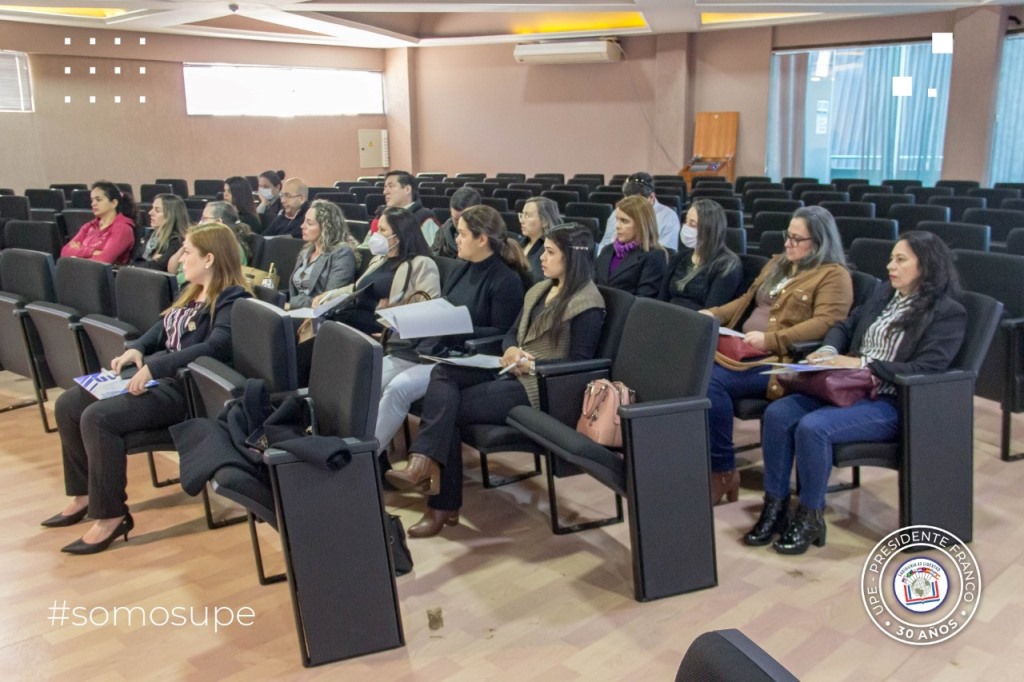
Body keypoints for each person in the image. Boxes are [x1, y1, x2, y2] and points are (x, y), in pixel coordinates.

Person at [745, 231, 966, 554]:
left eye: (900, 259)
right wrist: (829, 348)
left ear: (926, 266)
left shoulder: (947, 313)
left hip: (891, 401)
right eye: (891, 258)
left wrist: (863, 362)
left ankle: (810, 516)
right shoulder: (884, 294)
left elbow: (927, 369)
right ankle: (775, 507)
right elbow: (845, 325)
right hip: (848, 389)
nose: (890, 265)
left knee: (813, 427)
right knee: (778, 413)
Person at [43, 222, 252, 555]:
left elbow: (215, 347)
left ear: (209, 258)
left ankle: (111, 516)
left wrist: (156, 365)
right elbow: (161, 327)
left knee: (98, 418)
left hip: (186, 390)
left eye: (187, 252)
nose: (180, 258)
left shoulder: (232, 299)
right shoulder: (193, 291)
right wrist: (138, 347)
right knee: (69, 403)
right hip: (160, 377)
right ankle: (83, 495)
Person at [386, 224, 605, 538]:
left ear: (572, 259)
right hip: (511, 369)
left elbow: (581, 365)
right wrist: (512, 349)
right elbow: (511, 334)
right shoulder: (541, 289)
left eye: (550, 252)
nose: (541, 257)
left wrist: (533, 363)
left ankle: (440, 503)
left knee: (448, 408)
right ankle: (423, 463)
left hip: (539, 386)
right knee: (443, 373)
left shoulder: (588, 303)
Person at [702, 206, 853, 505]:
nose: (787, 243)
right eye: (788, 235)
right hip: (744, 349)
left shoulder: (833, 276)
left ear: (819, 242)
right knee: (689, 372)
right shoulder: (778, 265)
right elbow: (745, 302)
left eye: (797, 239)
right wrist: (713, 315)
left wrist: (772, 339)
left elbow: (827, 323)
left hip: (781, 361)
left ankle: (721, 471)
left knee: (710, 384)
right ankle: (702, 460)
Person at [373, 204, 528, 476]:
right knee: (373, 376)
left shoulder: (506, 280)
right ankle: (373, 452)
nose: (456, 238)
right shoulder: (461, 269)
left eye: (462, 234)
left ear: (482, 239)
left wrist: (455, 325)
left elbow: (503, 334)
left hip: (467, 361)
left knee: (398, 389)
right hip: (438, 349)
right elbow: (444, 307)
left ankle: (365, 459)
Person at [320, 206, 440, 334]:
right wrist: (328, 296)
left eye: (382, 230)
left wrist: (392, 310)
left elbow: (428, 310)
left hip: (382, 328)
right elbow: (355, 288)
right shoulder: (379, 259)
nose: (376, 234)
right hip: (354, 320)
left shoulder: (422, 264)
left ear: (398, 236)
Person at [660, 198, 742, 310]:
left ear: (709, 229)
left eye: (692, 223)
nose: (686, 227)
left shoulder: (727, 265)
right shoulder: (679, 258)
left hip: (696, 322)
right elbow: (661, 299)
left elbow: (711, 311)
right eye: (686, 221)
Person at [287, 199, 357, 309]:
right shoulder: (306, 251)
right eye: (304, 221)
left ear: (326, 227)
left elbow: (328, 300)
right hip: (295, 310)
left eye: (309, 223)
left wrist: (290, 304)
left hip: (318, 317)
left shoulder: (342, 254)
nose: (302, 226)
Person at [595, 195, 668, 299]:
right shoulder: (607, 250)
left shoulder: (654, 256)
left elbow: (643, 300)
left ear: (641, 224)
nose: (617, 226)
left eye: (624, 221)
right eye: (617, 219)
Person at [597, 172, 681, 251]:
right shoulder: (618, 212)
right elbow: (605, 243)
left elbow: (666, 254)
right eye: (627, 200)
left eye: (636, 201)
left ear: (651, 198)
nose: (630, 206)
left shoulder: (668, 217)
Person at [60, 181, 136, 264]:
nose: (93, 204)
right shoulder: (89, 226)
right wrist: (92, 252)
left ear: (114, 203)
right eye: (92, 200)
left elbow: (103, 260)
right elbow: (64, 252)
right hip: (81, 272)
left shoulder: (123, 228)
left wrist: (78, 252)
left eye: (98, 200)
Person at [371, 170, 441, 246]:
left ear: (407, 189)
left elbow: (433, 253)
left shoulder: (425, 219)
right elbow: (366, 247)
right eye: (385, 187)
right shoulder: (381, 215)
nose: (385, 192)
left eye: (391, 186)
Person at [137, 193, 188, 273]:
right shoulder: (151, 234)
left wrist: (149, 263)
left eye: (157, 210)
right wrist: (151, 261)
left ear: (171, 215)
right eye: (152, 208)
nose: (150, 213)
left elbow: (157, 267)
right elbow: (135, 261)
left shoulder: (177, 240)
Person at [520, 196, 561, 282]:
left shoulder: (553, 249)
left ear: (544, 221)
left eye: (527, 215)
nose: (522, 220)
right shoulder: (519, 244)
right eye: (522, 215)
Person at [432, 187, 481, 258]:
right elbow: (434, 257)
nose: (459, 225)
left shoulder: (488, 235)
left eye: (464, 220)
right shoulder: (444, 231)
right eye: (456, 219)